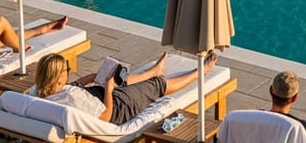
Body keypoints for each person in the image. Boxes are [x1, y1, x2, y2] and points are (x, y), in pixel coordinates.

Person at [33, 50, 216, 125]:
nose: (69, 72)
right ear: (58, 77)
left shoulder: (38, 93)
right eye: (67, 70)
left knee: (120, 79)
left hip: (99, 95)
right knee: (157, 84)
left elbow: (71, 90)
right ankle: (201, 72)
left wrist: (88, 79)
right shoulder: (71, 98)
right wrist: (109, 90)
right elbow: (106, 116)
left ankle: (154, 70)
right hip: (119, 108)